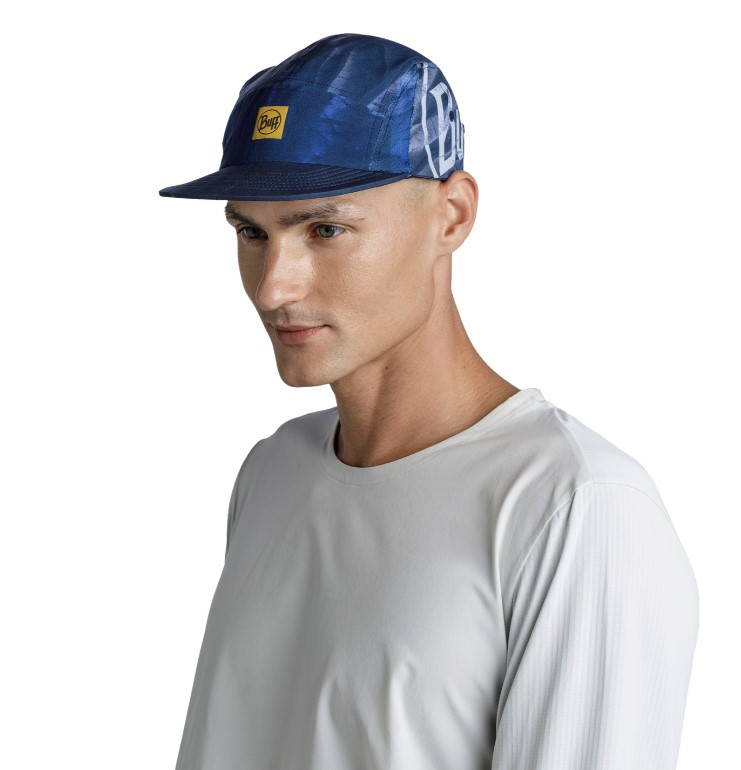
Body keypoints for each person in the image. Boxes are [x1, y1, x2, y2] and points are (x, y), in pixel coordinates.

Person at [159, 33, 699, 770]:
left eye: (325, 228)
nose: (272, 285)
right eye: (251, 232)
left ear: (452, 215)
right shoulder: (273, 472)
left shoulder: (572, 505)